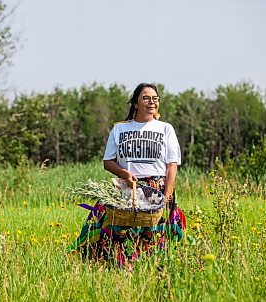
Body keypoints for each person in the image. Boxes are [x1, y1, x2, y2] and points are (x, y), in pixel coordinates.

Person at [67, 83, 186, 269]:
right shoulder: (119, 129)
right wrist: (124, 173)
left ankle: (151, 268)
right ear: (136, 103)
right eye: (146, 98)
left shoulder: (165, 129)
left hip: (156, 189)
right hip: (125, 188)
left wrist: (167, 194)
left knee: (152, 233)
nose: (151, 102)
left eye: (155, 98)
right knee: (114, 228)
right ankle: (119, 266)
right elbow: (108, 161)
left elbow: (172, 164)